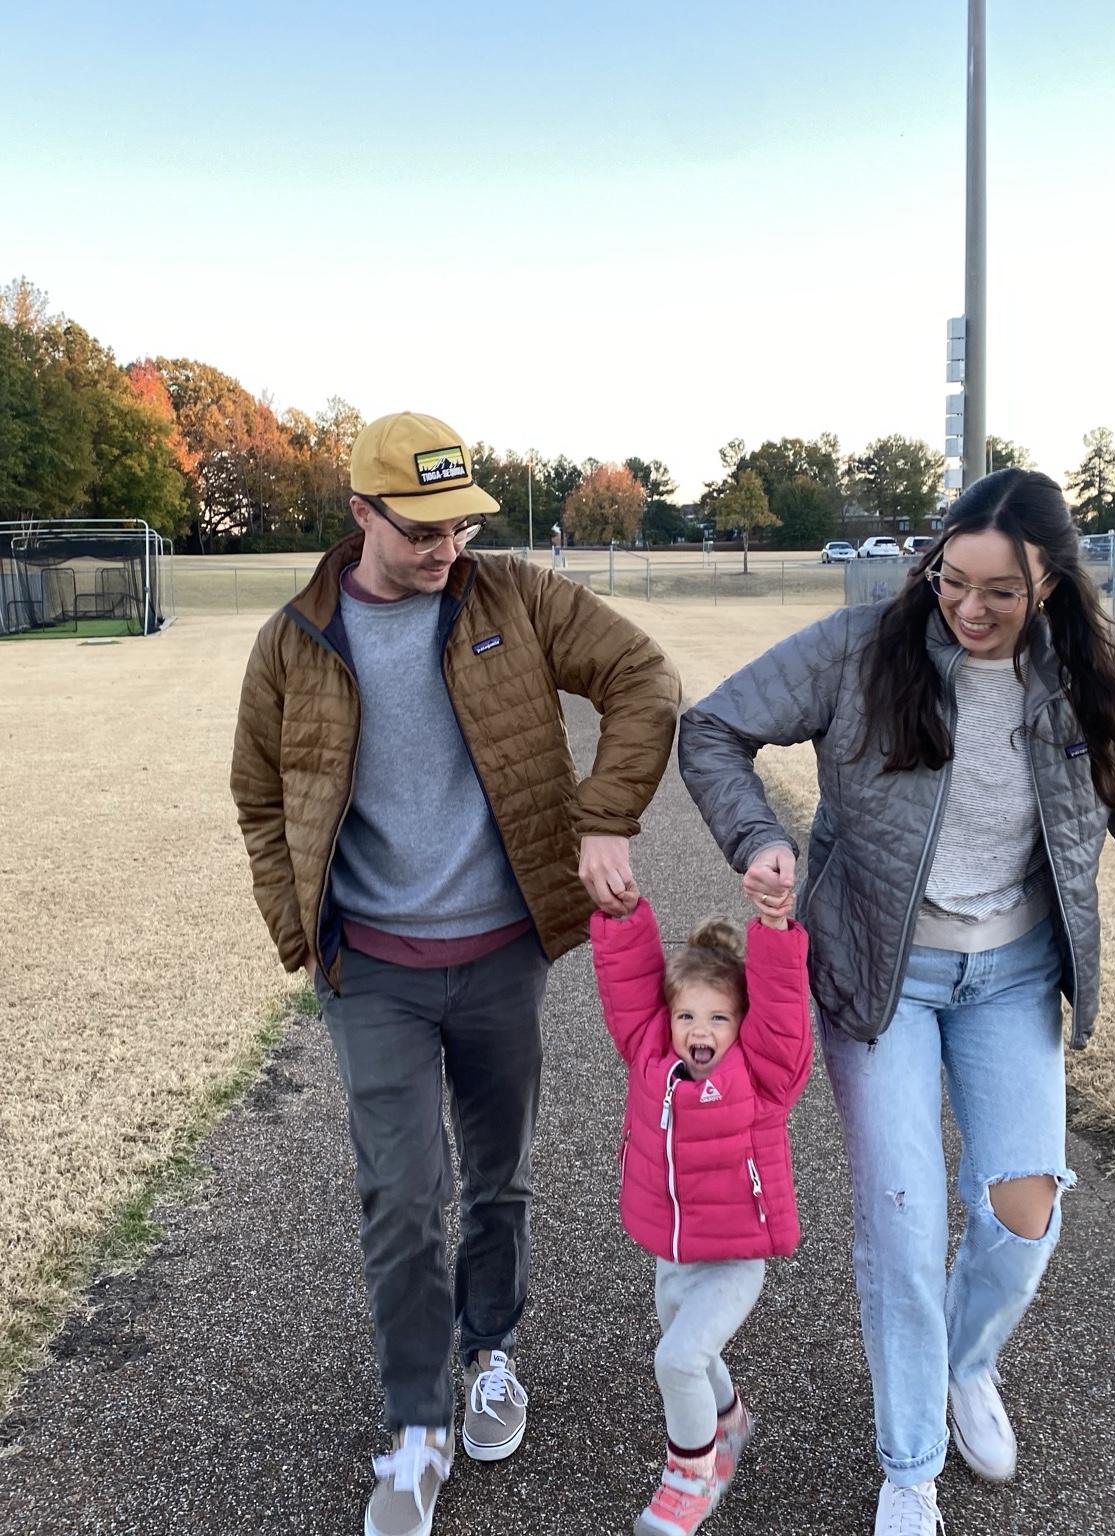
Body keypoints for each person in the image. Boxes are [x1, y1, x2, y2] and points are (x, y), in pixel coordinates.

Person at [677, 469, 1115, 1536]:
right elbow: (713, 728)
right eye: (952, 579)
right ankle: (909, 1467)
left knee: (1023, 1214)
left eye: (1001, 590)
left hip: (1011, 975)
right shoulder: (860, 650)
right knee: (903, 1224)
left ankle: (964, 1362)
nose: (969, 606)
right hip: (881, 977)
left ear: (1051, 584)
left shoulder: (1083, 688)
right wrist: (758, 837)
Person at [230, 411, 680, 1536]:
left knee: (499, 1177)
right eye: (422, 529)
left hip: (501, 955)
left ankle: (493, 1353)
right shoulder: (296, 640)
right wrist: (302, 935)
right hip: (371, 967)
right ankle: (417, 1426)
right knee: (400, 1192)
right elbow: (257, 799)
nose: (446, 548)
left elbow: (644, 677)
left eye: (460, 526)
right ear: (360, 515)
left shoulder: (513, 597)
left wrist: (606, 816)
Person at [590, 896, 812, 1536]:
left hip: (735, 1260)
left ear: (742, 1021)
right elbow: (631, 994)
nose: (700, 1030)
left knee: (679, 1359)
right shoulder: (651, 1060)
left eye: (718, 1017)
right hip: (674, 1256)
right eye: (686, 1015)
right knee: (693, 1352)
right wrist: (622, 915)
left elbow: (783, 1014)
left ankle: (689, 1480)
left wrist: (775, 930)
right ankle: (729, 1420)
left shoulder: (762, 1077)